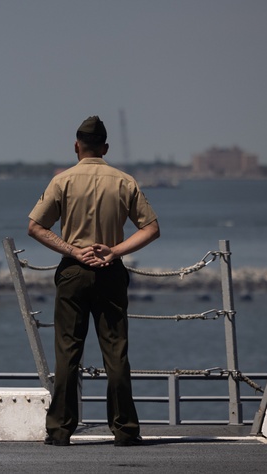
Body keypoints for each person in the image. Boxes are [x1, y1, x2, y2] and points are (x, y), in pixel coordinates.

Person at [27, 115, 160, 448]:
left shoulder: (63, 181)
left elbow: (35, 227)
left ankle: (60, 430)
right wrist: (113, 250)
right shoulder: (124, 181)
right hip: (110, 271)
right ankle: (125, 429)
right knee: (116, 352)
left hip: (73, 270)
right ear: (105, 147)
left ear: (76, 146)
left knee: (68, 352)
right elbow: (151, 229)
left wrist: (73, 249)